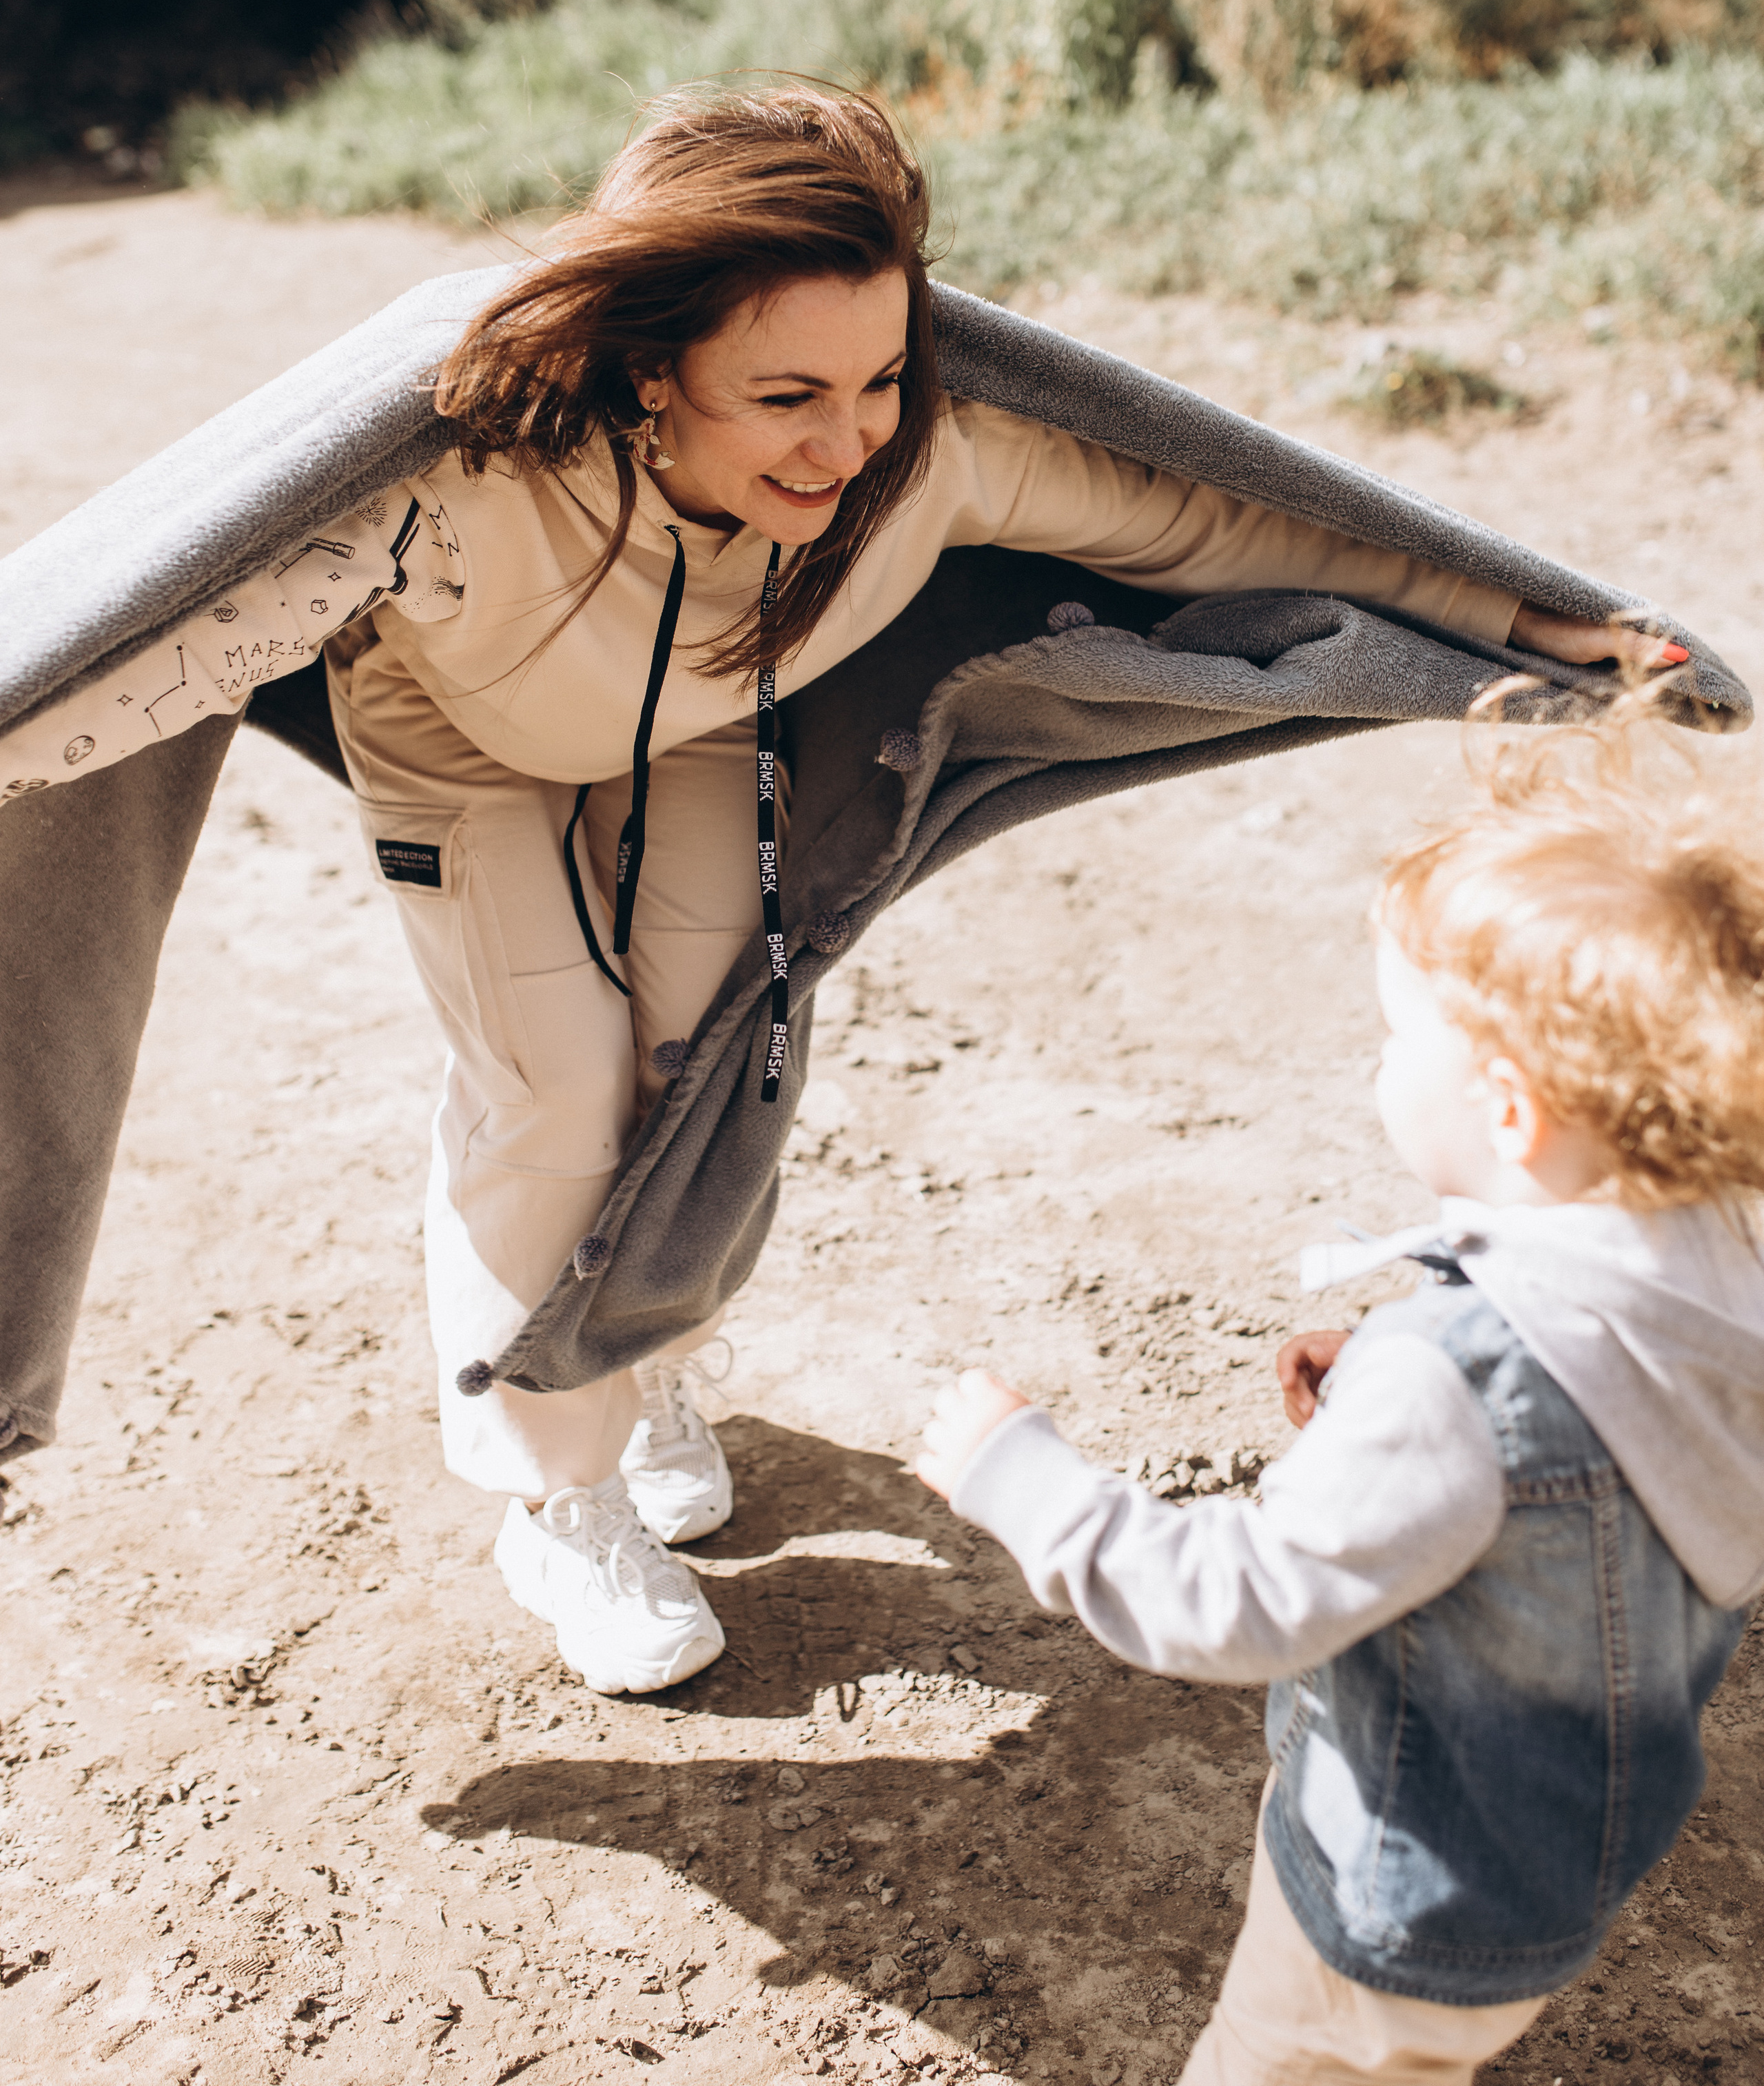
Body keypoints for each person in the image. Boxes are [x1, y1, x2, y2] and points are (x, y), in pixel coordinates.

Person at [1, 86, 1683, 1699]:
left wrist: (1518, 621)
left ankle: (629, 1354)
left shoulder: (927, 454)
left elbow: (1217, 524)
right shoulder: (458, 474)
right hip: (462, 741)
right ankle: (552, 1500)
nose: (846, 437)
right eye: (786, 394)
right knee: (560, 1081)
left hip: (710, 725)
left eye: (874, 376)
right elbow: (160, 636)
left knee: (699, 1061)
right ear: (653, 372)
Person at [915, 702, 1764, 2083]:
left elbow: (1240, 1597)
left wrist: (1025, 1480)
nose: (1373, 1062)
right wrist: (1391, 1372)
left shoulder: (1457, 1389)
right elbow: (1565, 1456)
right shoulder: (1712, 1252)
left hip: (1391, 1898)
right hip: (1551, 1858)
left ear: (1508, 1110)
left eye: (1393, 1035)